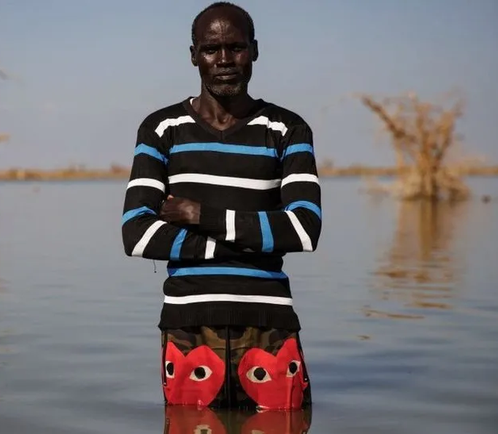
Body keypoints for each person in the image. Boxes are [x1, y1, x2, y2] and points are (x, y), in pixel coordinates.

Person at [121, 1, 322, 411]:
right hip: (187, 329)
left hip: (270, 325)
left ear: (255, 50)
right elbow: (137, 234)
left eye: (237, 47)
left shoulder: (287, 129)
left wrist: (200, 216)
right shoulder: (162, 130)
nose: (225, 60)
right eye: (212, 49)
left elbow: (304, 230)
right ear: (194, 55)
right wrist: (252, 241)